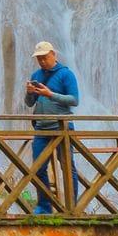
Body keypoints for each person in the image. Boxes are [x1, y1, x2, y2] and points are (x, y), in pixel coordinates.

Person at [25, 40, 79, 214]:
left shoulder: (66, 74)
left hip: (62, 127)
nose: (42, 61)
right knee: (38, 168)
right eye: (39, 58)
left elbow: (74, 100)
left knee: (67, 166)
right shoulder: (36, 75)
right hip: (41, 127)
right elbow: (29, 103)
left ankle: (72, 207)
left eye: (45, 57)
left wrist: (50, 94)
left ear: (53, 54)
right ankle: (44, 206)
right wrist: (29, 93)